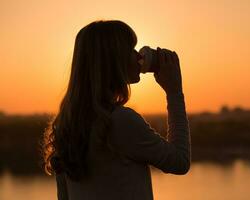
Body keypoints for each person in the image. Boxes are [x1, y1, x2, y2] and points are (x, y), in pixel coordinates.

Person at [42, 19, 191, 200]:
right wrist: (174, 92)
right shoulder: (121, 121)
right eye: (131, 49)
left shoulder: (67, 125)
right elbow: (179, 161)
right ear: (113, 60)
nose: (138, 56)